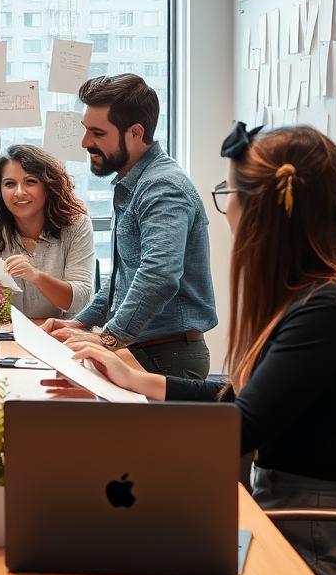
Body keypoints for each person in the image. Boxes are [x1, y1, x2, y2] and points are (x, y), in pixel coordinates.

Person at [49, 123, 336, 575]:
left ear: (269, 211)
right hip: (301, 520)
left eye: (230, 193)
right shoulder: (322, 296)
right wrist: (141, 383)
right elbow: (250, 404)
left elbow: (238, 429)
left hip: (328, 549)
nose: (226, 209)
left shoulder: (328, 311)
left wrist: (118, 431)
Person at [42, 74, 217, 378]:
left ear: (135, 133)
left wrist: (108, 338)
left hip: (166, 357)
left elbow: (159, 274)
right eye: (86, 131)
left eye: (97, 133)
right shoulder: (134, 183)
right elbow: (125, 279)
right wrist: (81, 322)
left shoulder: (163, 187)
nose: (85, 143)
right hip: (145, 350)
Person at [0, 144, 95, 320]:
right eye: (10, 184)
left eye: (30, 182)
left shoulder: (77, 225)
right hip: (5, 332)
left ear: (47, 185)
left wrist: (35, 276)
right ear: (0, 190)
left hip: (59, 334)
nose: (19, 192)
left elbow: (80, 299)